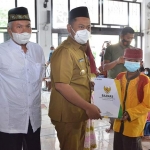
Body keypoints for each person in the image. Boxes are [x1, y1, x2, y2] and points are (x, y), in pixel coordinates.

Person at [48, 6, 101, 150]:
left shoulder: (79, 49)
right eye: (81, 26)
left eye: (88, 27)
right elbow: (61, 85)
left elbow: (77, 78)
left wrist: (89, 85)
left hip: (78, 112)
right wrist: (89, 107)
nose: (86, 31)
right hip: (67, 114)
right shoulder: (65, 51)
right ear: (69, 28)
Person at [0, 7, 45, 150]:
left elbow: (38, 82)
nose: (24, 31)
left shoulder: (37, 50)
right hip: (10, 120)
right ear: (9, 30)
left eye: (28, 26)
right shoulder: (2, 52)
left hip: (33, 119)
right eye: (19, 27)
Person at [113, 48, 150, 150]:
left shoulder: (145, 80)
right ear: (124, 60)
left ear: (141, 62)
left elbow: (147, 104)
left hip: (134, 125)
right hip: (118, 123)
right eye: (129, 60)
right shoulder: (119, 77)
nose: (132, 63)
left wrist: (130, 113)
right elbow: (112, 95)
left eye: (136, 61)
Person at [103, 27, 135, 132]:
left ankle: (124, 126)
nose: (129, 40)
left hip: (129, 82)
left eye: (131, 38)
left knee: (126, 104)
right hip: (113, 81)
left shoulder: (132, 49)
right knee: (113, 107)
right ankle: (113, 126)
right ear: (121, 36)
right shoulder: (110, 48)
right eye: (127, 37)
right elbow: (104, 67)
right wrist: (117, 61)